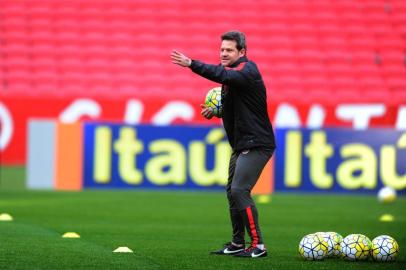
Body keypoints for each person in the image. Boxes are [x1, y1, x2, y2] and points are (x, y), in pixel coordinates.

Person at [170, 30, 275, 258]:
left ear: (242, 52)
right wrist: (215, 111)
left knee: (239, 190)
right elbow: (238, 104)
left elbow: (223, 76)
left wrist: (191, 64)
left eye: (229, 50)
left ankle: (258, 246)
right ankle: (238, 242)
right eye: (222, 50)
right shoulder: (232, 76)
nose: (224, 53)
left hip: (258, 143)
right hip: (241, 144)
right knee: (232, 192)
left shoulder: (247, 70)